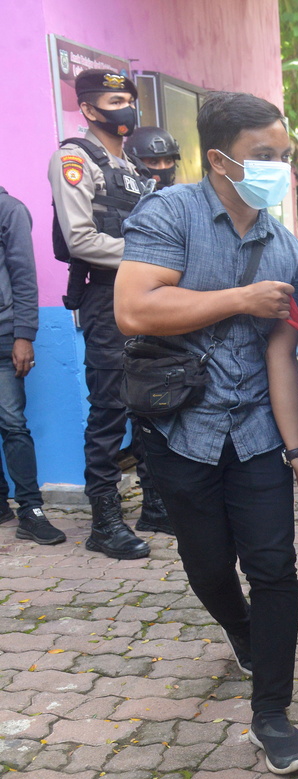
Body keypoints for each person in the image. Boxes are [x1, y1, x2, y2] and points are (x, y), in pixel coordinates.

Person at [114, 91, 298, 775]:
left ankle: (272, 712)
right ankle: (239, 628)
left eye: (284, 156)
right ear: (218, 158)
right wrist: (239, 298)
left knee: (274, 566)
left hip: (258, 432)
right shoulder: (169, 214)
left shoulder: (284, 246)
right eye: (264, 156)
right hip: (182, 428)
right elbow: (134, 308)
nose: (278, 170)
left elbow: (280, 354)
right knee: (207, 565)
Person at [47, 69, 169, 559]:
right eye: (115, 101)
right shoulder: (75, 158)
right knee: (109, 409)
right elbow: (80, 238)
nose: (126, 109)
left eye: (129, 100)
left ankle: (155, 507)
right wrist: (151, 258)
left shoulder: (132, 165)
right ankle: (104, 522)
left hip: (145, 296)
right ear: (88, 108)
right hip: (105, 297)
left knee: (150, 400)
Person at [0, 187, 67, 546]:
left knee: (13, 423)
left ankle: (30, 510)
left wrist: (23, 335)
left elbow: (24, 276)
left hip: (3, 335)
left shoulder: (8, 209)